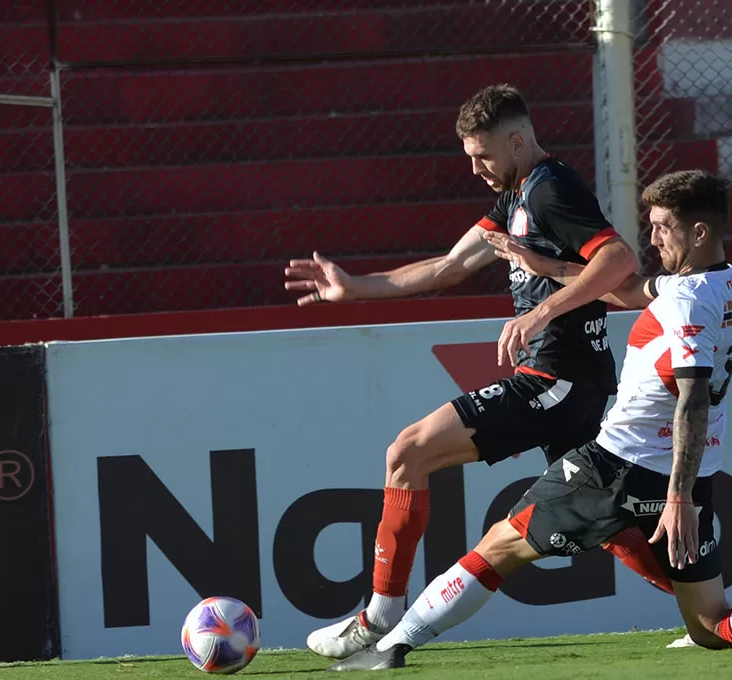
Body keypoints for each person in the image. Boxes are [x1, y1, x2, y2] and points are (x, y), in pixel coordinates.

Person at [328, 170, 732, 671]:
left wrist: (677, 499)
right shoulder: (725, 283)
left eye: (662, 226)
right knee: (712, 624)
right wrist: (545, 265)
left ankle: (391, 645)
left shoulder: (684, 303)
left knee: (496, 548)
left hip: (618, 467)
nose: (651, 236)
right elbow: (629, 290)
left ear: (698, 231)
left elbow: (693, 400)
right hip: (686, 478)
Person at [285, 84, 678, 659]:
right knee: (610, 520)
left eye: (483, 155)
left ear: (517, 141)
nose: (474, 168)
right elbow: (451, 265)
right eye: (468, 155)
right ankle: (718, 615)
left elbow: (618, 259)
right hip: (576, 386)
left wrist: (542, 310)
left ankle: (378, 617)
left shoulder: (550, 190)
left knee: (408, 451)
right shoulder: (516, 195)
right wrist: (356, 289)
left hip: (555, 381)